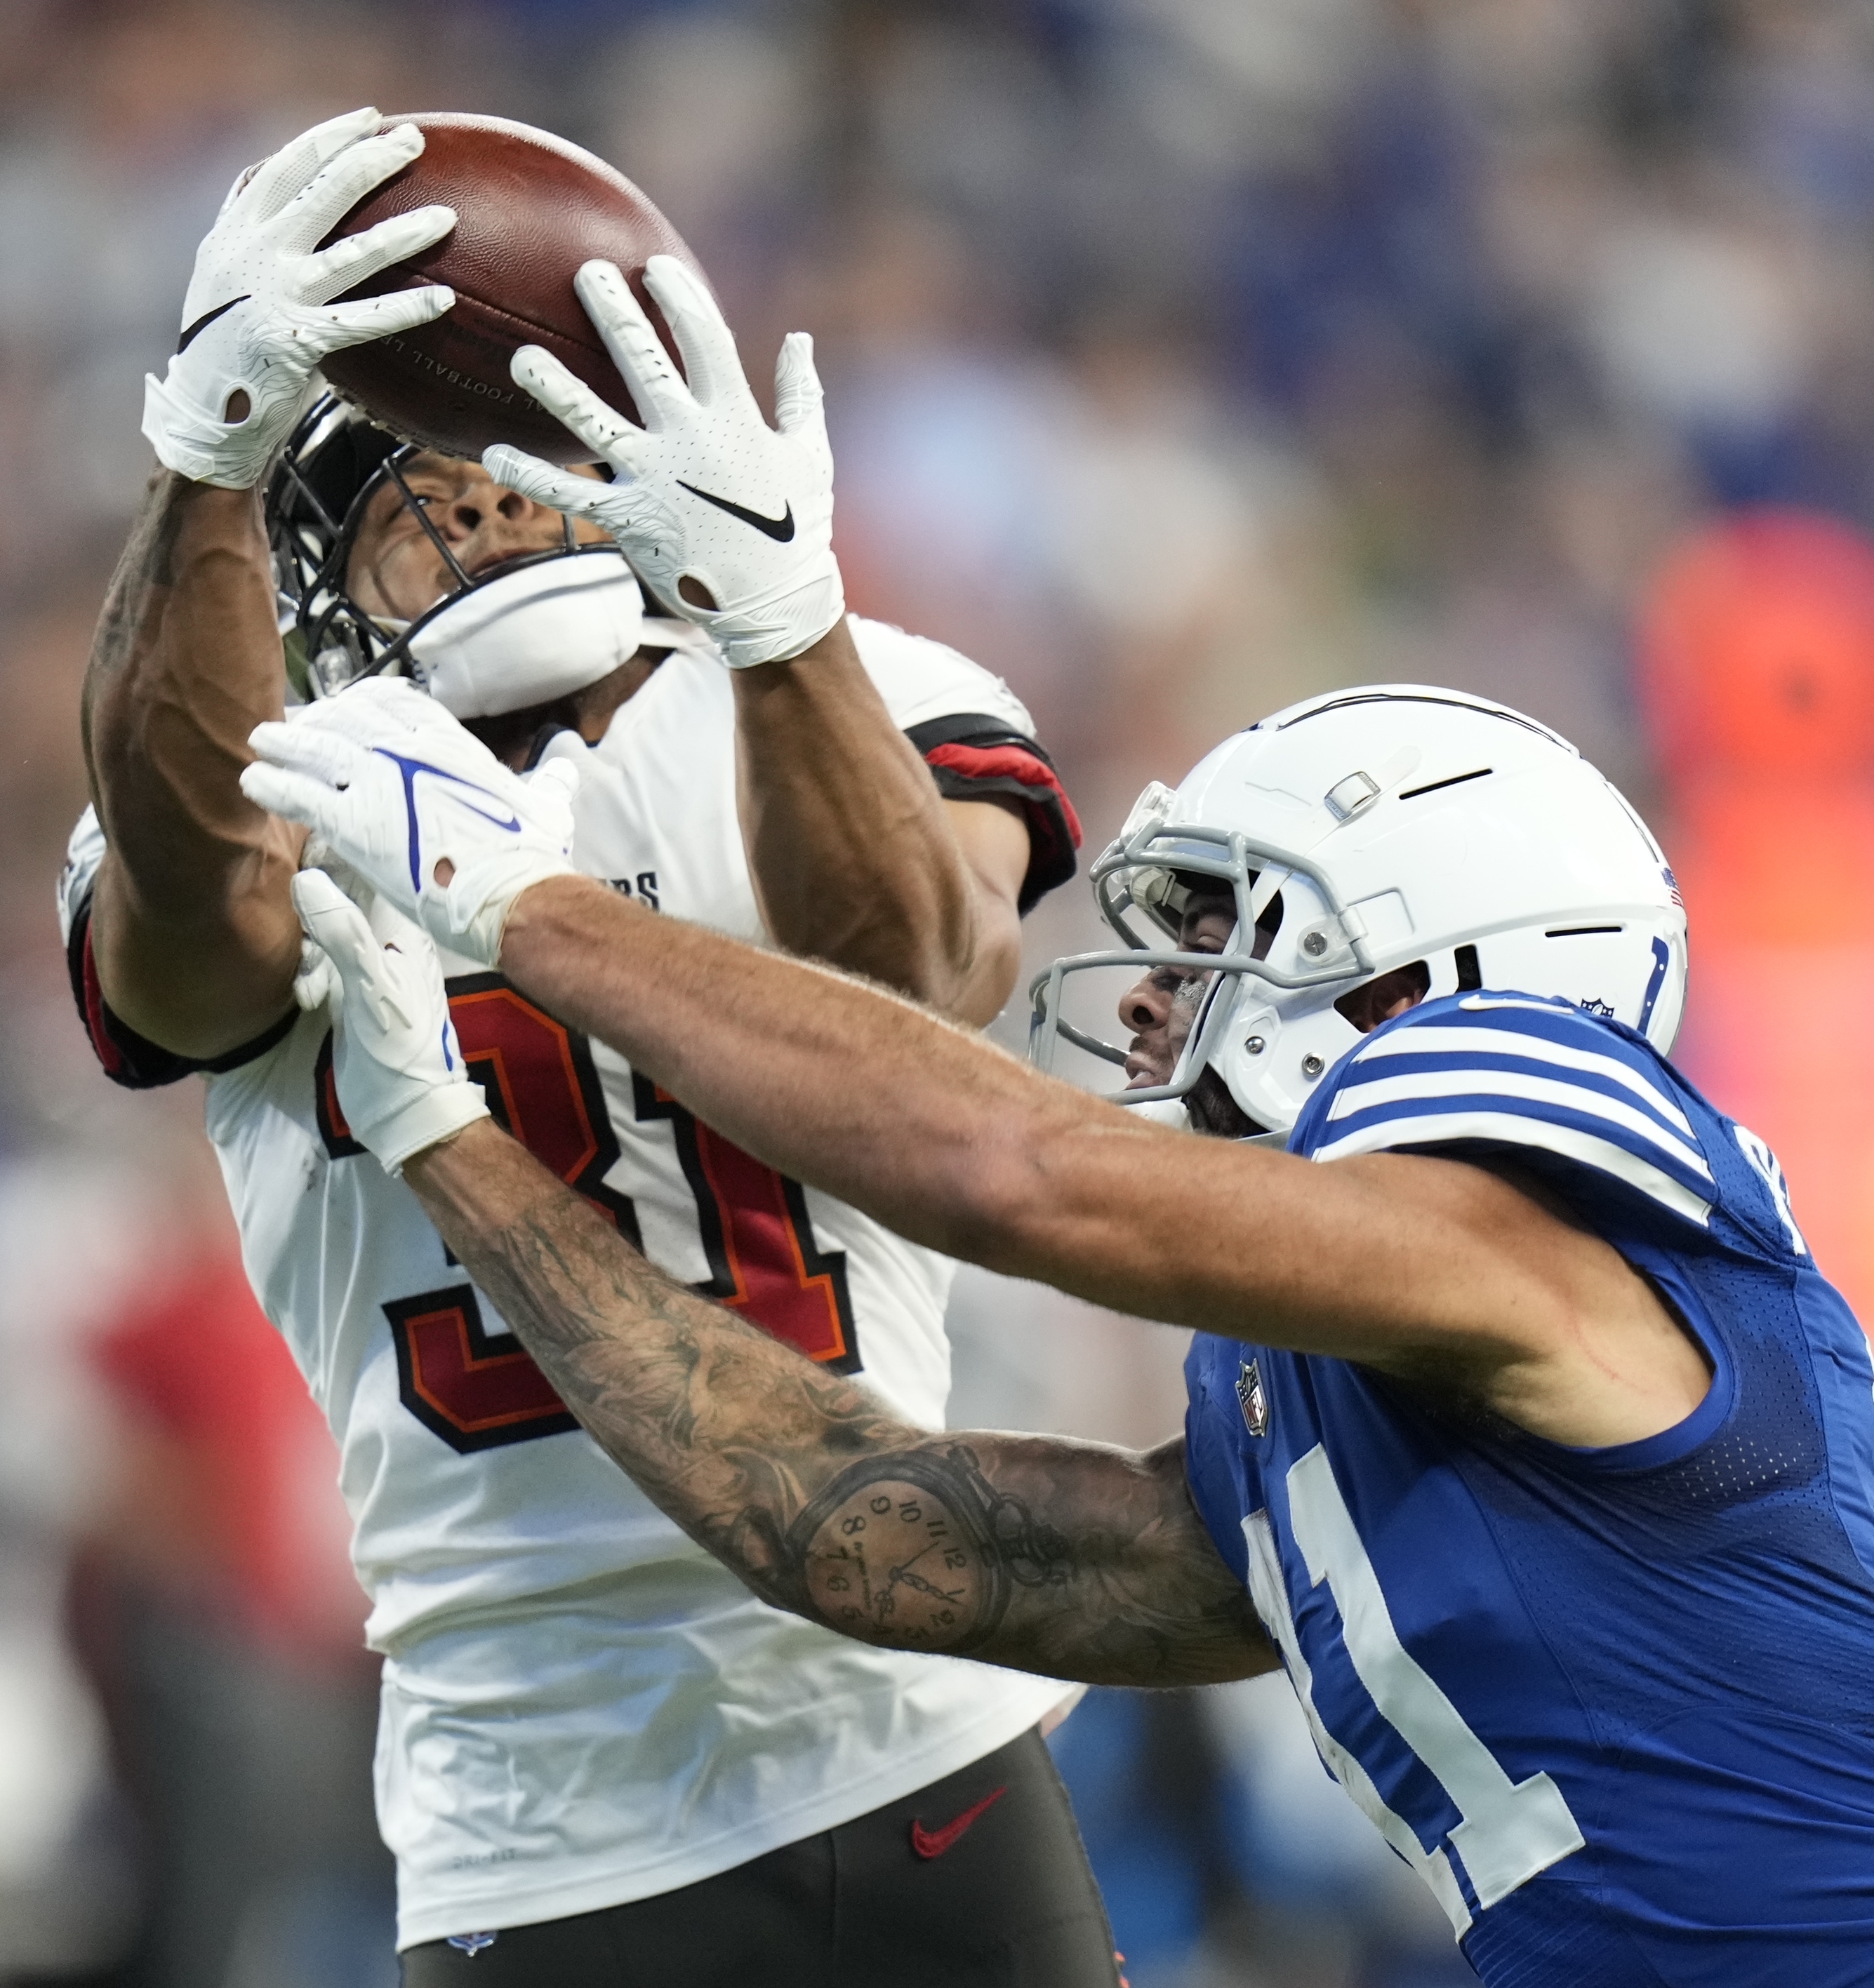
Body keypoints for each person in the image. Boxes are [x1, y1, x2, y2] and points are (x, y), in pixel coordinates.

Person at [246, 604, 1874, 1980]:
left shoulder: (1561, 1195)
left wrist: (530, 907)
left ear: (1429, 969)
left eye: (1223, 926)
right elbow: (843, 1528)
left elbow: (1016, 1173)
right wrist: (442, 1132)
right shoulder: (1316, 1402)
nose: (1151, 993)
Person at [69, 111, 1108, 1982]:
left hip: (905, 1728)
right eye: (398, 464)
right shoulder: (244, 782)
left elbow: (927, 969)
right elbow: (194, 944)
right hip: (532, 1808)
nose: (468, 492)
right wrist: (195, 458)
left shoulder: (845, 696)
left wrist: (782, 624)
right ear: (294, 537)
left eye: (500, 439)